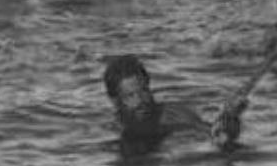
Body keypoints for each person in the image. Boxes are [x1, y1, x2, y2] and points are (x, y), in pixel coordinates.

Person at [103, 55, 243, 150]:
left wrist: (230, 117)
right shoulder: (112, 128)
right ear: (115, 101)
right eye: (130, 96)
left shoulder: (175, 116)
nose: (140, 101)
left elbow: (216, 134)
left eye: (143, 91)